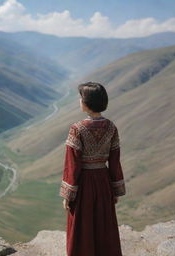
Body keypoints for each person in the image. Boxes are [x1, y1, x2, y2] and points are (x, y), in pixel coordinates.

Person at [59, 82, 126, 256]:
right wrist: (115, 190)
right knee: (104, 224)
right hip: (103, 182)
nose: (79, 101)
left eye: (81, 98)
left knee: (82, 225)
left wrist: (68, 194)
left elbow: (72, 165)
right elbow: (114, 160)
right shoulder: (111, 127)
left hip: (84, 185)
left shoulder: (77, 129)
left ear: (87, 102)